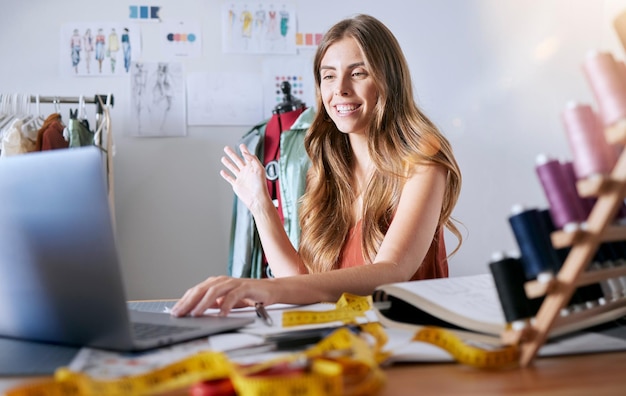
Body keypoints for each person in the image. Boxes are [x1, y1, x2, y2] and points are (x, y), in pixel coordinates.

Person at [171, 14, 462, 317]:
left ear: (388, 78)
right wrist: (260, 204)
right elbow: (303, 284)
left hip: (414, 342)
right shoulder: (328, 167)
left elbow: (392, 272)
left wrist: (263, 289)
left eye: (358, 73)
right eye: (329, 76)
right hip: (350, 339)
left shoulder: (422, 158)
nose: (340, 89)